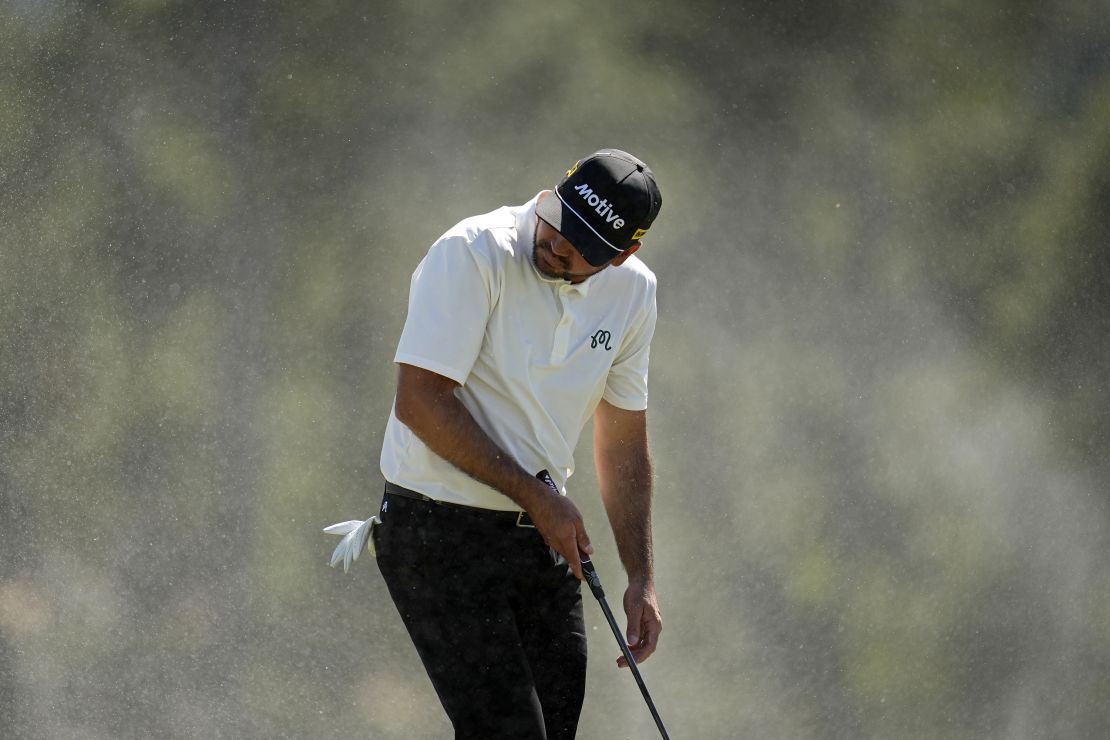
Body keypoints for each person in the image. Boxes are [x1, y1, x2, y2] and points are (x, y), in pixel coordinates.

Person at [331, 149, 664, 739]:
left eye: (583, 245)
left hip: (540, 542)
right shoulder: (472, 252)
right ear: (552, 194)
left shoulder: (634, 294)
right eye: (560, 223)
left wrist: (641, 575)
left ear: (622, 254)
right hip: (435, 532)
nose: (559, 245)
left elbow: (622, 446)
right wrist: (536, 498)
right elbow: (421, 403)